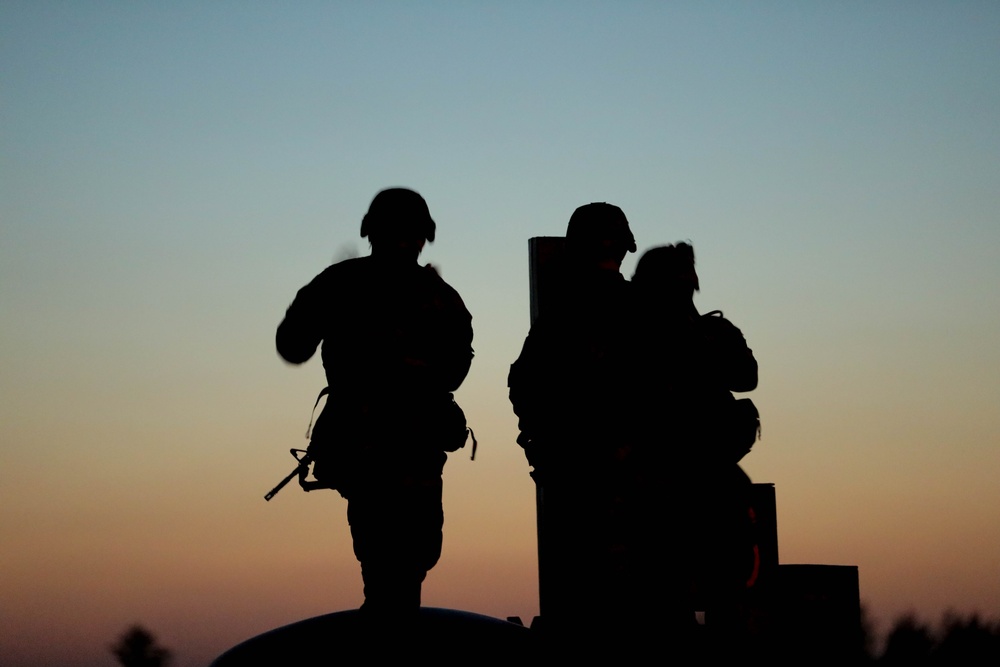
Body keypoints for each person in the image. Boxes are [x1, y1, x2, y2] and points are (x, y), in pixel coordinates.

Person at [276, 188, 473, 618]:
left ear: (370, 232)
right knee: (408, 565)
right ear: (425, 236)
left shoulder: (338, 283)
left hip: (363, 451)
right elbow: (456, 369)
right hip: (413, 450)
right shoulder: (443, 297)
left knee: (384, 563)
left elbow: (291, 346)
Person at [508, 203, 645, 649]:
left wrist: (546, 445)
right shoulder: (649, 312)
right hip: (637, 490)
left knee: (581, 612)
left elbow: (524, 384)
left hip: (577, 486)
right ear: (624, 248)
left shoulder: (562, 314)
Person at [632, 242, 758, 650]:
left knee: (724, 590)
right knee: (668, 599)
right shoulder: (633, 333)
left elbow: (746, 375)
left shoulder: (707, 333)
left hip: (703, 475)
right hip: (656, 477)